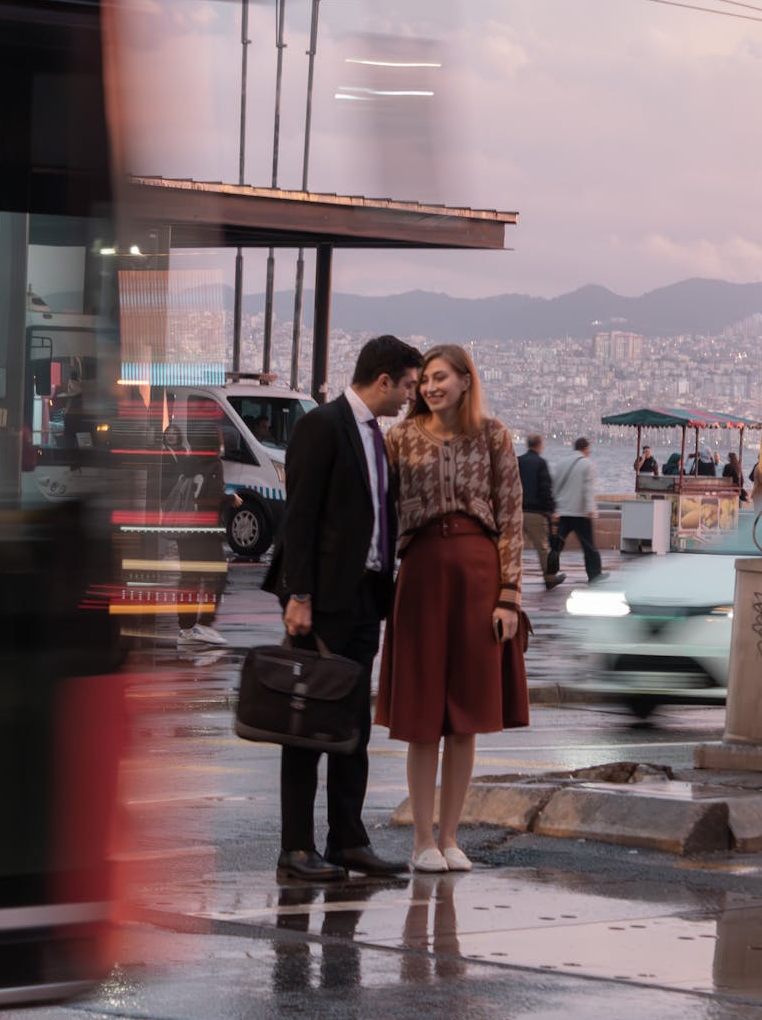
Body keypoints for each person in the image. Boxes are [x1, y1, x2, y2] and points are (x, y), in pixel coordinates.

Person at [263, 335, 423, 882]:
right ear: (383, 380)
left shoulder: (377, 436)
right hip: (323, 600)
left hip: (365, 598)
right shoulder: (322, 425)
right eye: (407, 385)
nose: (410, 396)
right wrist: (299, 595)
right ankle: (296, 847)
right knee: (307, 725)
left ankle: (348, 839)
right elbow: (300, 515)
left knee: (352, 725)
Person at [375, 344, 529, 874]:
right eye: (424, 381)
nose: (429, 388)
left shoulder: (494, 435)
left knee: (465, 716)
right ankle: (422, 840)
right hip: (420, 572)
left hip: (478, 575)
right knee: (421, 715)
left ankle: (452, 837)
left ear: (466, 380)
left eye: (440, 378)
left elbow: (511, 515)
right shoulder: (397, 438)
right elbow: (377, 507)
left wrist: (509, 595)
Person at [162, 418, 231, 647]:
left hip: (186, 529)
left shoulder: (188, 462)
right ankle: (204, 624)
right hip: (205, 530)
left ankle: (186, 627)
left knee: (189, 578)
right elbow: (210, 499)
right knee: (217, 575)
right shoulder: (214, 464)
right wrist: (231, 499)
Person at [517, 434, 566, 590]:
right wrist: (551, 510)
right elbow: (545, 489)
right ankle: (550, 578)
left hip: (517, 511)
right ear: (539, 445)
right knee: (542, 547)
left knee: (513, 547)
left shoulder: (518, 461)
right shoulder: (540, 463)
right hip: (535, 512)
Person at [552, 436, 603, 583]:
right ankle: (595, 575)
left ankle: (550, 573)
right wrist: (590, 509)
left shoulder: (561, 463)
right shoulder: (587, 465)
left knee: (557, 545)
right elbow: (587, 489)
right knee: (588, 545)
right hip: (580, 513)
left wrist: (555, 508)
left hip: (563, 512)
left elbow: (554, 487)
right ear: (586, 449)